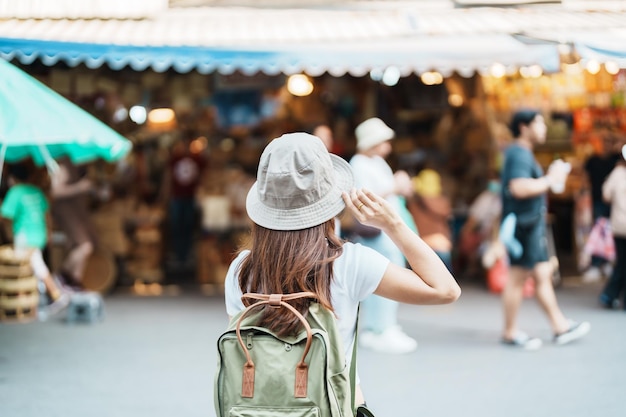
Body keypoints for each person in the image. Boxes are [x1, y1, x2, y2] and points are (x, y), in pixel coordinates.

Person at [223, 132, 460, 408]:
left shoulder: (241, 268)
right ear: (330, 200)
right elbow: (445, 290)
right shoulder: (348, 262)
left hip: (257, 408)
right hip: (333, 406)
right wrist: (393, 224)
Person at [500, 110, 590, 349]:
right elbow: (518, 188)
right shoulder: (519, 153)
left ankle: (559, 326)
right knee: (518, 278)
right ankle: (510, 332)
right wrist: (550, 179)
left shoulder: (521, 152)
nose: (544, 128)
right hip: (524, 226)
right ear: (523, 126)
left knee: (541, 276)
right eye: (538, 123)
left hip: (529, 224)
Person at [348, 117, 420, 354]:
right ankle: (378, 328)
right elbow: (363, 197)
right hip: (376, 233)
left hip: (388, 232)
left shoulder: (379, 163)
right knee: (382, 279)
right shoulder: (358, 164)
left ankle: (385, 326)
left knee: (389, 276)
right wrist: (394, 186)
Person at [1, 163, 70, 316]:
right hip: (40, 235)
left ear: (13, 178)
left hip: (24, 237)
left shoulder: (16, 191)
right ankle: (34, 300)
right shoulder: (37, 191)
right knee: (32, 267)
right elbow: (47, 215)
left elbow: (5, 215)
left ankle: (56, 294)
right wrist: (49, 233)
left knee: (33, 268)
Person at [49, 158, 97, 290]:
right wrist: (80, 187)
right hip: (67, 212)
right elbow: (55, 191)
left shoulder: (75, 164)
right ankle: (60, 277)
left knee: (79, 247)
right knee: (85, 246)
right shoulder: (64, 164)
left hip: (76, 212)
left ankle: (75, 283)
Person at [582, 131, 622, 281]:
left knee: (612, 234)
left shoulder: (616, 160)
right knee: (598, 233)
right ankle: (597, 263)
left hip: (615, 204)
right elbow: (585, 180)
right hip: (598, 201)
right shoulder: (592, 160)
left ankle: (608, 262)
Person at [162, 134, 207, 268]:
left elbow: (204, 176)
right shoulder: (175, 159)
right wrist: (165, 196)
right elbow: (168, 177)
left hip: (190, 197)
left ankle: (186, 254)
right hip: (177, 197)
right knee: (176, 226)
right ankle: (178, 253)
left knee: (188, 225)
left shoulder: (198, 159)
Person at [408, 168, 453, 271]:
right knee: (445, 279)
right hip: (441, 246)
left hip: (419, 246)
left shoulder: (413, 204)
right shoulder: (443, 203)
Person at [598, 144, 626, 309]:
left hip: (619, 226)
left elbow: (606, 195)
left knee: (621, 262)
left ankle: (610, 295)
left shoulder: (617, 173)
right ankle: (612, 295)